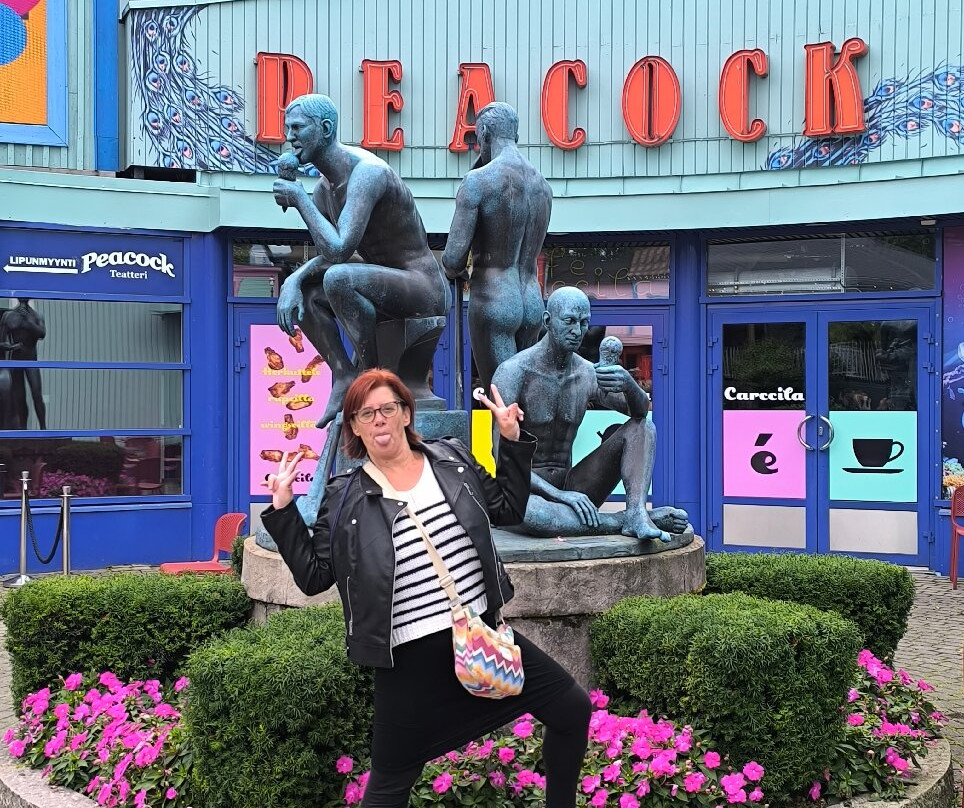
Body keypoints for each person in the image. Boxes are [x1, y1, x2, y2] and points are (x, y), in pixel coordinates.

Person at [261, 369, 591, 808]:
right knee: (390, 785)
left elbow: (508, 509)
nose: (379, 419)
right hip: (409, 661)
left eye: (387, 408)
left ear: (405, 413)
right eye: (365, 413)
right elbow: (314, 576)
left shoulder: (451, 459)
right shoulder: (344, 496)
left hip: (478, 638)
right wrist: (283, 511)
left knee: (571, 709)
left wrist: (511, 441)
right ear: (354, 426)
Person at [272, 94, 451, 428]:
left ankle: (369, 378)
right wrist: (295, 279)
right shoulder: (323, 191)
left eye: (297, 128)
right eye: (287, 129)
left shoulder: (368, 173)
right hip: (382, 286)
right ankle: (343, 375)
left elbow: (339, 252)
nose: (289, 137)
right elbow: (331, 254)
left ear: (326, 129)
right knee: (308, 293)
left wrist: (298, 199)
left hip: (423, 289)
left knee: (338, 278)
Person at [492, 287, 688, 540]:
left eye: (584, 323)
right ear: (548, 321)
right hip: (524, 491)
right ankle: (623, 520)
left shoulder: (586, 373)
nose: (577, 331)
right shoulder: (513, 372)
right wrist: (560, 496)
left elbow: (640, 413)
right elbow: (502, 456)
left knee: (643, 427)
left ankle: (636, 511)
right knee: (537, 516)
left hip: (574, 486)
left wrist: (629, 385)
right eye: (569, 321)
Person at [441, 102, 551, 392]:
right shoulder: (543, 187)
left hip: (495, 299)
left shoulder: (477, 181)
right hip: (532, 301)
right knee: (524, 400)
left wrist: (458, 273)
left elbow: (452, 258)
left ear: (485, 132)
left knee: (502, 401)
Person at [0, 299, 46, 430]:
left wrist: (28, 322)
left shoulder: (36, 315)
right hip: (16, 360)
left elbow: (42, 333)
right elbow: (2, 342)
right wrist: (12, 347)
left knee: (37, 394)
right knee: (20, 397)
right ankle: (23, 429)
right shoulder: (9, 316)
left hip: (31, 360)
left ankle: (43, 428)